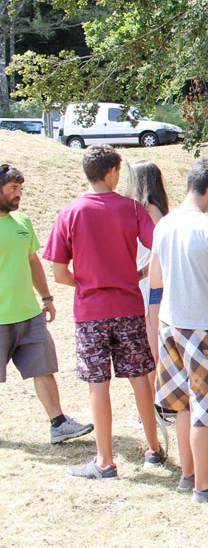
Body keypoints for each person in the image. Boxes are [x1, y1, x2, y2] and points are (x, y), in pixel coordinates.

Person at [43, 146, 165, 479]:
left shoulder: (71, 212)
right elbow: (160, 247)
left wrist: (86, 283)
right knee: (140, 377)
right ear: (112, 171)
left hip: (90, 312)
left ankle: (104, 460)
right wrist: (136, 275)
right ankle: (154, 449)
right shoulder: (132, 209)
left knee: (98, 384)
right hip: (127, 307)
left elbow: (58, 272)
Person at [148, 156, 208, 502]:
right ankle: (204, 487)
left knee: (182, 404)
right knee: (205, 409)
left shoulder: (163, 225)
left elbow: (155, 280)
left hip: (169, 326)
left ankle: (189, 474)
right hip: (202, 330)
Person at [0, 163, 93, 444]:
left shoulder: (22, 223)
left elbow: (32, 262)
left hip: (29, 315)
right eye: (13, 189)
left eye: (20, 189)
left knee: (44, 369)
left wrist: (47, 297)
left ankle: (58, 423)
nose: (19, 194)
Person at [127, 160, 176, 424]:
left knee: (151, 349)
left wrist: (140, 274)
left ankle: (152, 405)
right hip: (148, 284)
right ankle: (151, 406)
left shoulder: (145, 209)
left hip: (148, 283)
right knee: (152, 349)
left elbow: (156, 254)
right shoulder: (148, 209)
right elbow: (158, 253)